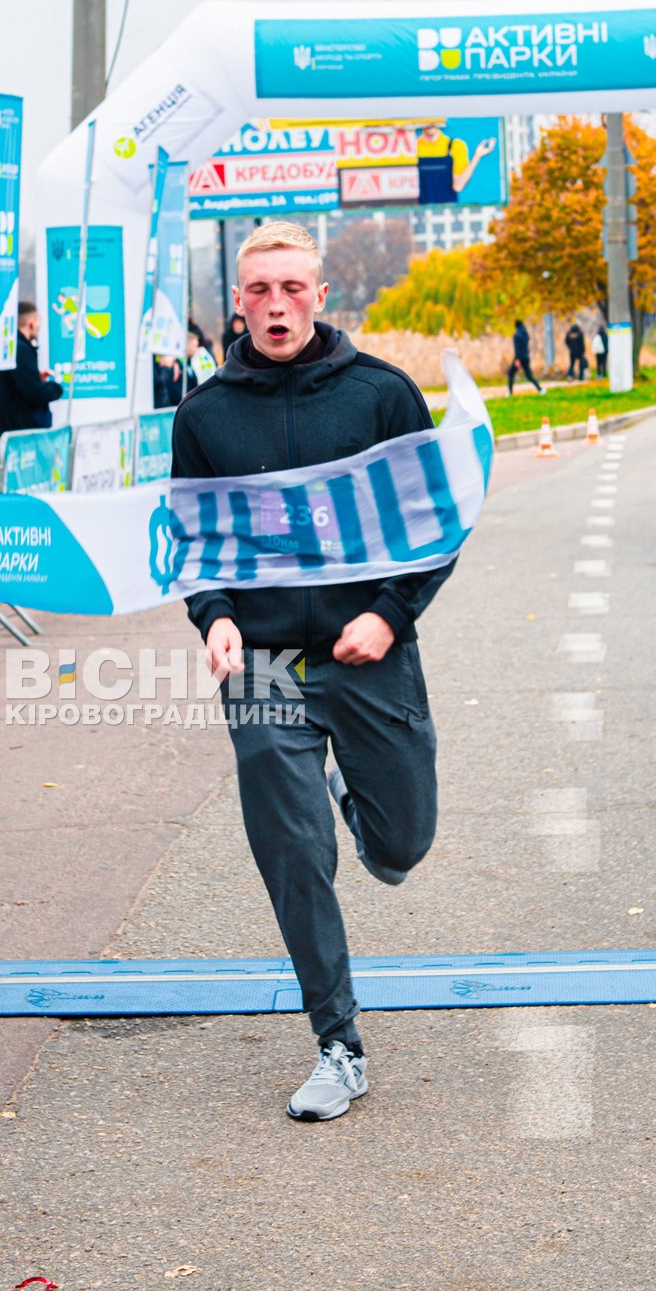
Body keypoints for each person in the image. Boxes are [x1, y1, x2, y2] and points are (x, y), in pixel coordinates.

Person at [172, 221, 452, 1123]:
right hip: (262, 664)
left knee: (401, 846)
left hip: (366, 653)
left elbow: (434, 526)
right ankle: (338, 1043)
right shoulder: (205, 414)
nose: (277, 305)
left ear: (321, 296)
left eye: (293, 288)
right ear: (239, 302)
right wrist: (213, 619)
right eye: (260, 291)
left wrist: (388, 612)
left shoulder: (381, 395)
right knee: (291, 850)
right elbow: (194, 546)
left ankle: (363, 810)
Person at [0, 300, 63, 438]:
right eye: (38, 322)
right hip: (19, 429)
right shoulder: (20, 349)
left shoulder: (4, 346)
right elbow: (33, 392)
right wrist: (55, 387)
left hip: (6, 426)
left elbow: (16, 382)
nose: (39, 327)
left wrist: (34, 377)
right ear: (31, 322)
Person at [415, 122, 497, 204]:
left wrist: (477, 156)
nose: (431, 122)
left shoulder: (456, 145)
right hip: (419, 210)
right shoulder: (412, 148)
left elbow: (458, 186)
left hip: (448, 210)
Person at [507, 319, 543, 395]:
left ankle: (510, 393)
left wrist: (517, 359)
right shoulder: (525, 334)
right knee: (529, 376)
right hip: (526, 356)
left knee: (511, 373)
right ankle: (540, 389)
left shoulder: (517, 335)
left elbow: (517, 348)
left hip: (519, 357)